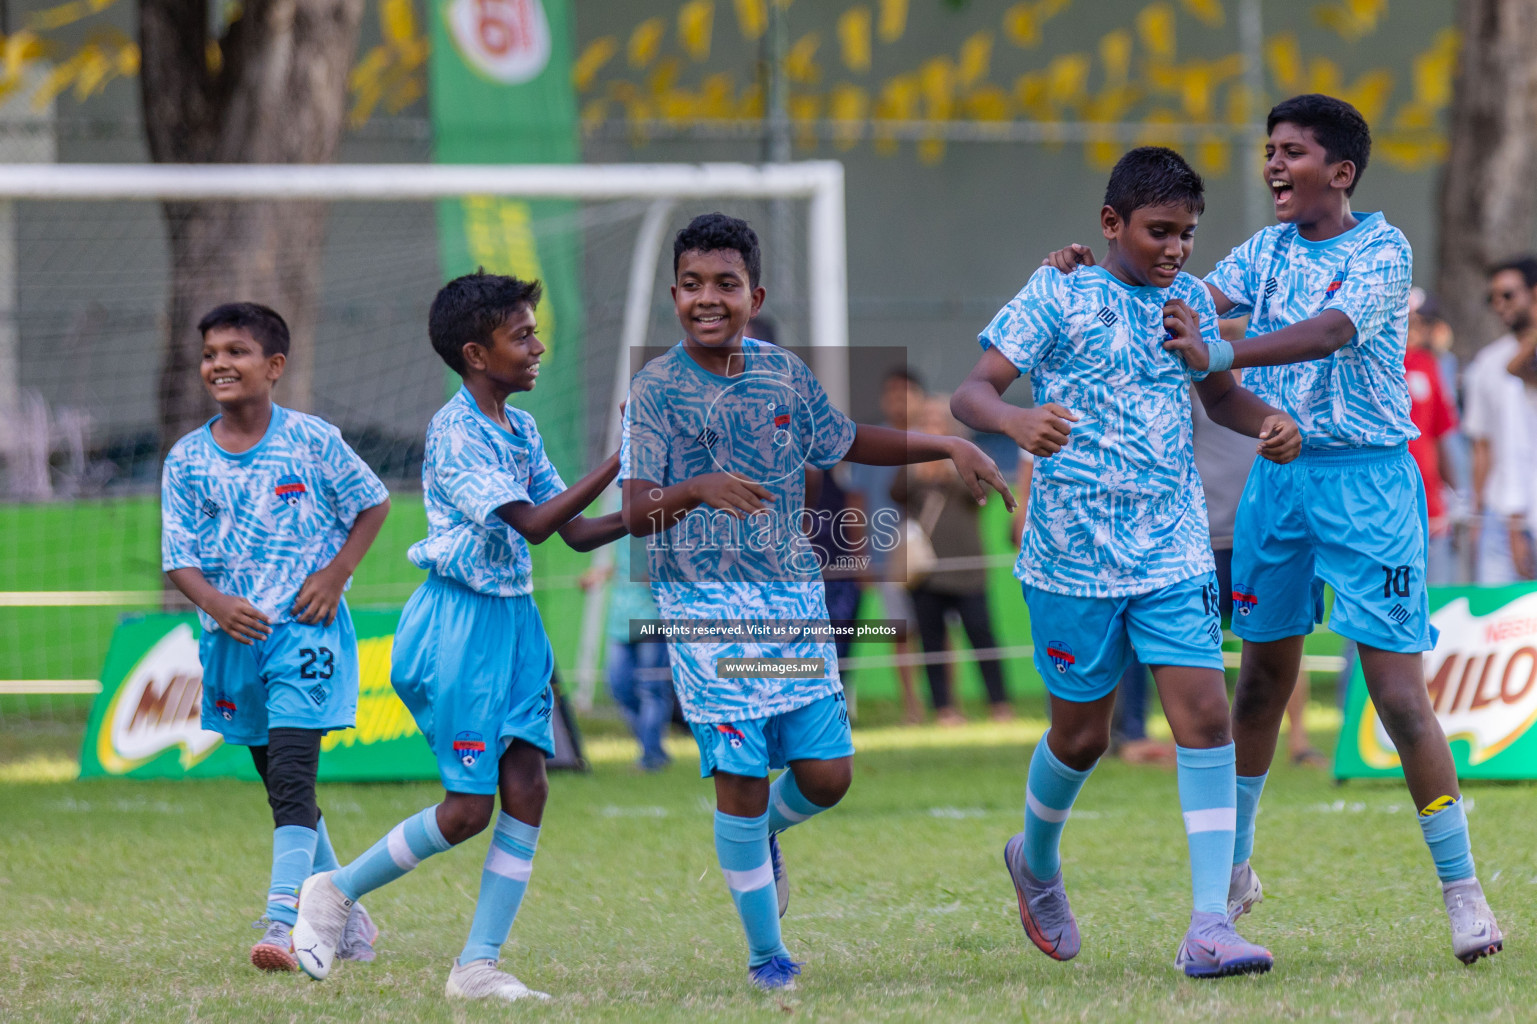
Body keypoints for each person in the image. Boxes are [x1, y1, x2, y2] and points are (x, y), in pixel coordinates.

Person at [1045, 94, 1503, 964]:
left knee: (1399, 699)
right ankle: (1234, 871)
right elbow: (1173, 299)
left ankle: (1462, 893)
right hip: (1279, 481)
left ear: (1339, 171)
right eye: (1267, 149)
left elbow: (1330, 332)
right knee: (1257, 685)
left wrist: (1221, 352)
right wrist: (1088, 271)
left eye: (1290, 150)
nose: (1271, 165)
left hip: (1367, 485)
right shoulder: (1264, 250)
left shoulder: (1380, 247)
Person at [621, 213, 1013, 991]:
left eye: (725, 284)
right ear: (673, 294)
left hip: (790, 603)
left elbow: (844, 439)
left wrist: (948, 442)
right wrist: (695, 488)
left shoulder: (782, 372)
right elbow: (635, 511)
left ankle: (759, 835)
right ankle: (768, 956)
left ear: (752, 292)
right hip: (705, 616)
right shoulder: (655, 387)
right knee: (735, 776)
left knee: (828, 775)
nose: (709, 298)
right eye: (693, 284)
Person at [953, 146, 1299, 977]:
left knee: (1205, 720)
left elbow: (1216, 392)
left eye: (1186, 234)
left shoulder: (1186, 303)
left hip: (1172, 551)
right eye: (1158, 232)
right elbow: (970, 391)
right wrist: (1010, 423)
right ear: (1110, 225)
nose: (1176, 250)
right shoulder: (1058, 292)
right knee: (1081, 737)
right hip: (1069, 560)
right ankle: (1034, 860)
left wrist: (1266, 423)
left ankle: (1208, 926)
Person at [289, 272, 628, 1001]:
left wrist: (675, 501)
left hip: (513, 622)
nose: (538, 346)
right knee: (469, 810)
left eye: (535, 331)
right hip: (458, 627)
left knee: (529, 787)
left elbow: (572, 532)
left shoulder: (522, 427)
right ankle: (334, 890)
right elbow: (532, 525)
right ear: (476, 353)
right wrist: (620, 457)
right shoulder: (454, 432)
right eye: (522, 335)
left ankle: (476, 965)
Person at [160, 302, 391, 972]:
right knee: (276, 781)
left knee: (292, 775)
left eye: (236, 351)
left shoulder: (313, 439)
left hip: (305, 633)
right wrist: (215, 603)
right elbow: (178, 557)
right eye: (210, 353)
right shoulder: (187, 458)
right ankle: (343, 906)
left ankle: (283, 917)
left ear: (275, 366)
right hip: (233, 640)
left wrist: (334, 573)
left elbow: (373, 501)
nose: (219, 364)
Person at [893, 396, 1012, 724]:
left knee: (981, 634)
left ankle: (999, 704)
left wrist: (949, 470)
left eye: (938, 419)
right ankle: (944, 708)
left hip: (967, 565)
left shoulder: (970, 457)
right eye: (926, 419)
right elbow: (896, 496)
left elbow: (981, 497)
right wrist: (918, 471)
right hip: (926, 569)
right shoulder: (911, 462)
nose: (932, 424)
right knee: (932, 641)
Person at [845, 368, 928, 724]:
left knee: (941, 630)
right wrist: (859, 555)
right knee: (900, 631)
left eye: (906, 393)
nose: (899, 401)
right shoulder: (871, 442)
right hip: (886, 557)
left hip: (930, 556)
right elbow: (856, 503)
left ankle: (947, 703)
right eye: (892, 394)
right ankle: (912, 705)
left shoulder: (936, 438)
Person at [1465, 257, 1537, 583]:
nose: (1499, 305)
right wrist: (1478, 517)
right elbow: (1484, 445)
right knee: (1499, 625)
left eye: (1508, 295)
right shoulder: (1490, 362)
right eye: (1493, 297)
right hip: (1502, 512)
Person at [582, 518, 675, 771]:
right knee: (619, 686)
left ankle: (651, 754)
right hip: (620, 619)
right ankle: (651, 744)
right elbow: (624, 559)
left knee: (652, 689)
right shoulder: (621, 515)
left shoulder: (664, 517)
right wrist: (601, 573)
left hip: (650, 618)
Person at [1405, 289, 1460, 585]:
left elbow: (1440, 434)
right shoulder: (1369, 362)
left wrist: (1455, 493)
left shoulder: (1428, 364)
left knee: (1432, 598)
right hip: (1382, 501)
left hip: (1428, 501)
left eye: (1421, 320)